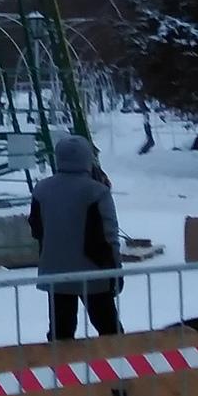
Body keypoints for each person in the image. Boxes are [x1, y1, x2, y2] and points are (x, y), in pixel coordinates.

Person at [30, 135, 126, 341]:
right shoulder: (97, 191)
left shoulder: (41, 189)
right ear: (87, 158)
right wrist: (115, 270)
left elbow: (36, 228)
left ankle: (61, 370)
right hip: (94, 273)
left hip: (55, 273)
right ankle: (118, 368)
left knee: (60, 333)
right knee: (109, 330)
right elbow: (109, 235)